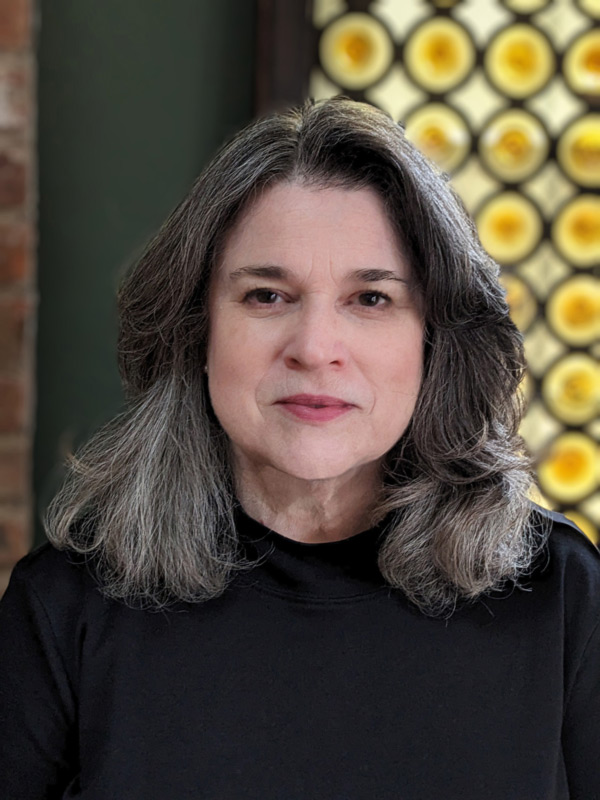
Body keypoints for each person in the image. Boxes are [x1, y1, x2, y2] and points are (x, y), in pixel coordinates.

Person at [0, 97, 598, 799]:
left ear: (434, 339)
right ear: (197, 331)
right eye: (266, 296)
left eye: (370, 300)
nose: (315, 349)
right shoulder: (63, 609)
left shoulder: (560, 598)